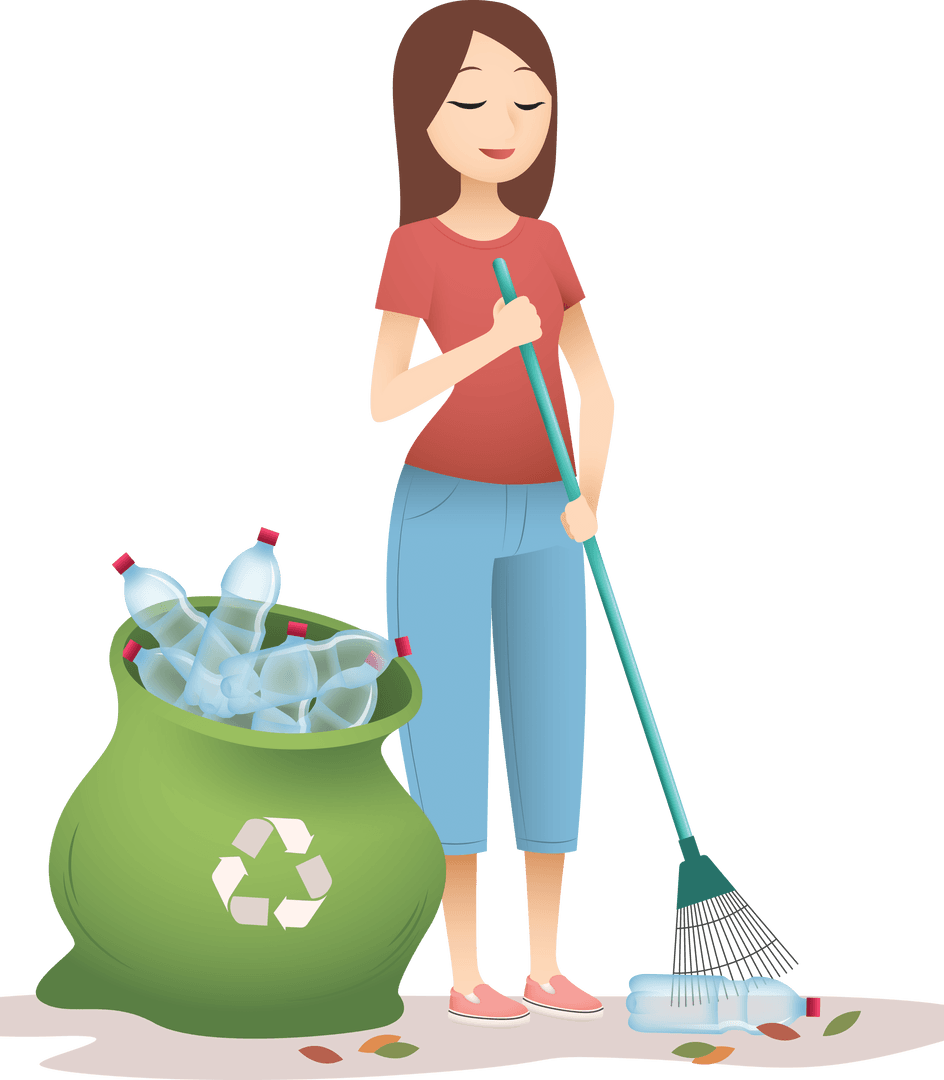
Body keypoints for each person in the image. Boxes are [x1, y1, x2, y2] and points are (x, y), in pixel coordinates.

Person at [370, 0, 615, 1028]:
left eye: (527, 95)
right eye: (471, 97)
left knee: (554, 729)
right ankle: (466, 973)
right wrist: (487, 342)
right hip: (443, 512)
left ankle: (547, 966)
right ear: (426, 120)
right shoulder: (416, 245)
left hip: (551, 516)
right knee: (450, 734)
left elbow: (596, 392)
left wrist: (590, 498)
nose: (503, 117)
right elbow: (385, 398)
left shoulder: (550, 242)